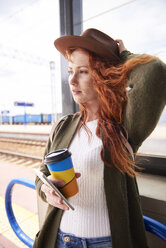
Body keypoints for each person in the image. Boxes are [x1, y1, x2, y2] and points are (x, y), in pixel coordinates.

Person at [33, 28, 166, 248]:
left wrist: (123, 57)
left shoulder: (124, 126)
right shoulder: (63, 126)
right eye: (70, 70)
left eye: (83, 71)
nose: (72, 80)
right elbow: (42, 175)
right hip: (60, 240)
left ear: (104, 75)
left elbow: (156, 74)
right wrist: (47, 192)